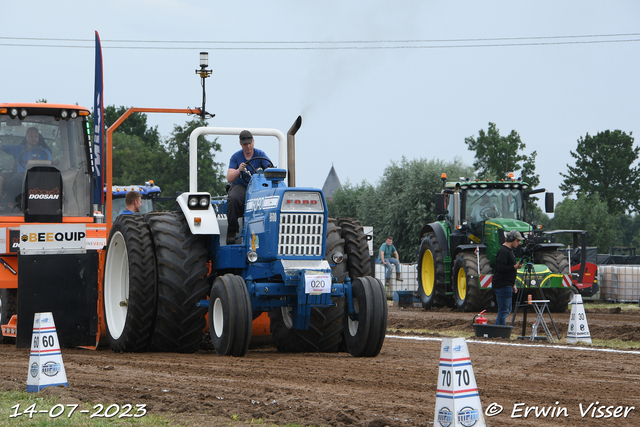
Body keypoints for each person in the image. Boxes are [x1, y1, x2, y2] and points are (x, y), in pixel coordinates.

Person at [226, 130, 272, 244]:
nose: (248, 146)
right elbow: (229, 178)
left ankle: (270, 231)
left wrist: (269, 169)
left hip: (257, 187)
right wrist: (238, 170)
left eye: (250, 143)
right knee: (233, 199)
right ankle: (232, 231)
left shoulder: (260, 154)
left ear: (253, 141)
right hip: (241, 186)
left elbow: (270, 169)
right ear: (241, 144)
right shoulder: (236, 157)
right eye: (245, 144)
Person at [0, 127, 52, 204]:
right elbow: (3, 147)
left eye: (36, 136)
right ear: (26, 137)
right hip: (20, 176)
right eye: (31, 136)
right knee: (12, 186)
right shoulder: (18, 148)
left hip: (39, 176)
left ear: (38, 138)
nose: (33, 138)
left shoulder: (45, 152)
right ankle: (9, 206)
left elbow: (48, 167)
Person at [493, 230, 524, 326]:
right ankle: (501, 333)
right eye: (518, 241)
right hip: (502, 285)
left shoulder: (508, 251)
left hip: (507, 284)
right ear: (512, 239)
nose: (519, 243)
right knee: (504, 311)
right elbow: (500, 268)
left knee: (506, 310)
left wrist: (513, 284)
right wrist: (515, 267)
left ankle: (496, 331)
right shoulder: (503, 251)